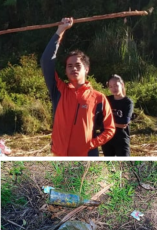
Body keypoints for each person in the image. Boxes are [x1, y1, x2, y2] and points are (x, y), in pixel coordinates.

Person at [40, 17, 115, 156]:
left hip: (86, 156)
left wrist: (92, 144)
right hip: (60, 154)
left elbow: (110, 129)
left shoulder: (99, 98)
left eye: (78, 65)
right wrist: (60, 30)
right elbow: (46, 61)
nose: (73, 68)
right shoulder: (59, 90)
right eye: (69, 66)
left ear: (86, 69)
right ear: (66, 71)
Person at [101, 74, 134, 156]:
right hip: (107, 139)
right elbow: (98, 118)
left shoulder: (128, 102)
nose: (113, 89)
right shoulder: (106, 100)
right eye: (111, 86)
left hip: (121, 139)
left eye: (116, 85)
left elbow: (124, 123)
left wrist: (106, 123)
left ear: (122, 84)